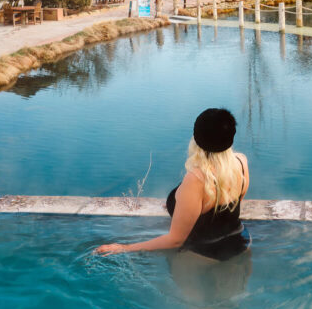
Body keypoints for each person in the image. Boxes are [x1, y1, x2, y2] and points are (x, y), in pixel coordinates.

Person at [95, 108, 250, 261]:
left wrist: (124, 248)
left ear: (197, 138)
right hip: (242, 241)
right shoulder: (240, 162)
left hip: (205, 255)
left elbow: (175, 240)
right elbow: (230, 205)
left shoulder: (196, 180)